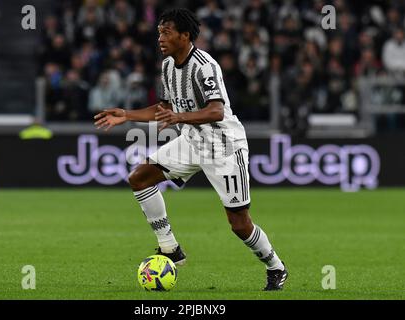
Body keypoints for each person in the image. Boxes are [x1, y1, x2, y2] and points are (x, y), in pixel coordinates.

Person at [94, 8, 288, 291]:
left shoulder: (205, 66)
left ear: (185, 36)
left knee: (239, 224)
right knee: (139, 177)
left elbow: (216, 111)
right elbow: (166, 108)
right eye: (159, 32)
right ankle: (170, 248)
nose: (160, 38)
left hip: (223, 147)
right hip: (192, 142)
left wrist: (179, 118)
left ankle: (275, 266)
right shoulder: (168, 66)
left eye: (167, 32)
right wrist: (126, 114)